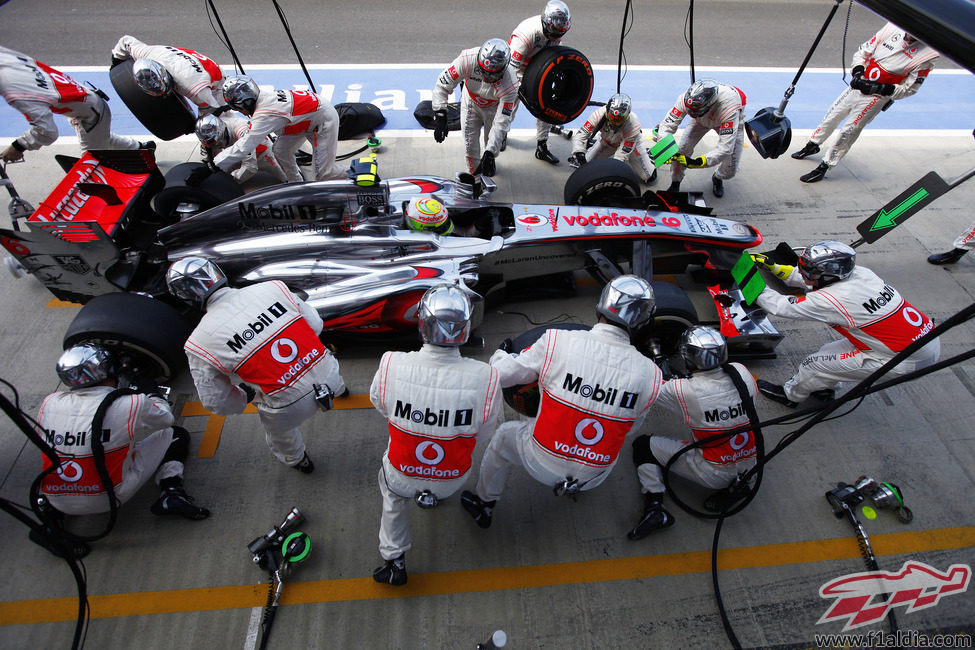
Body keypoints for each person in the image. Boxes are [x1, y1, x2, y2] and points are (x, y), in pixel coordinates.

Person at [461, 275, 663, 529]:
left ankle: (484, 503)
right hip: (596, 475)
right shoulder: (653, 376)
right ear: (644, 321)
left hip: (542, 463)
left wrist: (501, 353)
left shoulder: (558, 341)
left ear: (601, 304)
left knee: (504, 436)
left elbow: (499, 376)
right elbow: (630, 428)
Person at [370, 284, 502, 586]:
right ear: (466, 328)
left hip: (403, 475)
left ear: (422, 324)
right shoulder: (487, 376)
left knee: (391, 490)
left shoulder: (391, 362)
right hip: (452, 480)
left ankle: (394, 559)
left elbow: (381, 405)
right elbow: (484, 433)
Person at [168, 257, 346, 472]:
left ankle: (299, 460)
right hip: (329, 371)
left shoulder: (198, 343)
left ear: (185, 298)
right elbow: (315, 325)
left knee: (280, 434)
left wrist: (244, 396)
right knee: (327, 368)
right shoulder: (272, 288)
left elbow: (218, 402)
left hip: (288, 407)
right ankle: (341, 390)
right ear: (217, 273)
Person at [751, 241, 940, 408]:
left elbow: (780, 306)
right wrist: (775, 268)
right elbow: (818, 280)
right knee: (827, 352)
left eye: (805, 268)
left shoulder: (832, 300)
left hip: (903, 359)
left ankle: (790, 396)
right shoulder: (861, 274)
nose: (801, 270)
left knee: (813, 365)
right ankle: (822, 387)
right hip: (922, 339)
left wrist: (750, 282)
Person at [37, 343, 209, 521]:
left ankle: (52, 512)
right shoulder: (130, 404)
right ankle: (171, 491)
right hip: (108, 498)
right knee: (173, 434)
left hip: (56, 498)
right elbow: (165, 419)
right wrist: (150, 393)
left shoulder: (49, 403)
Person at [627, 326, 757, 539]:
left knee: (643, 445)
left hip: (713, 472)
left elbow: (652, 387)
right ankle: (739, 486)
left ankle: (655, 506)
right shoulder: (741, 372)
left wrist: (658, 363)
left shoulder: (684, 391)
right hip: (749, 464)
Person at [792, 23, 940, 183]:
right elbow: (863, 51)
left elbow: (909, 89)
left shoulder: (927, 55)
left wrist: (882, 88)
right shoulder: (892, 28)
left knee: (848, 131)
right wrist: (857, 72)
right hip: (859, 83)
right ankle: (813, 144)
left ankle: (825, 165)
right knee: (832, 115)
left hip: (876, 97)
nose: (910, 36)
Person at [0, 45, 150, 163]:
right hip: (82, 103)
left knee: (90, 168)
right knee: (98, 137)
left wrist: (18, 146)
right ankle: (142, 149)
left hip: (90, 113)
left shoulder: (16, 93)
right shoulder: (6, 58)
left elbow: (47, 132)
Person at [214, 76, 345, 183]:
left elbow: (244, 146)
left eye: (237, 108)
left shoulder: (264, 114)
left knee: (324, 175)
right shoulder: (262, 97)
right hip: (306, 118)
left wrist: (214, 165)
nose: (240, 112)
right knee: (280, 150)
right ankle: (296, 184)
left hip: (322, 121)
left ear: (244, 103)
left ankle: (363, 171)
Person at [431, 39, 518, 178]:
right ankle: (476, 178)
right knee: (470, 147)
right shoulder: (466, 59)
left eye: (493, 75)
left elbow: (502, 121)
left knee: (490, 142)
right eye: (484, 72)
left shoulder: (511, 84)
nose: (487, 77)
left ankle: (489, 159)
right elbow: (443, 83)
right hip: (470, 102)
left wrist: (491, 152)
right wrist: (440, 115)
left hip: (494, 109)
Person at [656, 77, 746, 198]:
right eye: (689, 111)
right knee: (682, 150)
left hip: (726, 120)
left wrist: (699, 162)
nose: (691, 113)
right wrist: (665, 149)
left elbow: (725, 147)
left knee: (731, 169)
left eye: (694, 111)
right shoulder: (684, 100)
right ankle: (675, 182)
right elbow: (666, 126)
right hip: (700, 121)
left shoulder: (729, 109)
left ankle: (718, 176)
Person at [508, 0, 572, 165]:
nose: (556, 37)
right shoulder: (527, 34)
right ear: (545, 23)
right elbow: (511, 67)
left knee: (547, 105)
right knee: (509, 103)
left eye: (560, 34)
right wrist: (517, 88)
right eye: (554, 33)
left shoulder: (556, 34)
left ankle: (542, 146)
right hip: (517, 67)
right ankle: (501, 135)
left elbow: (555, 56)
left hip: (538, 70)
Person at [110, 35, 224, 114]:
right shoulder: (144, 53)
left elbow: (213, 107)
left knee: (220, 122)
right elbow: (125, 41)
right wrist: (116, 60)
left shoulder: (196, 90)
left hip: (215, 80)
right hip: (179, 62)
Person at [569, 92, 657, 184]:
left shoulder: (633, 124)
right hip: (606, 142)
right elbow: (581, 134)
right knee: (586, 169)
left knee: (649, 177)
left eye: (618, 120)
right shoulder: (598, 115)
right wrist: (579, 153)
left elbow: (621, 156)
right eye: (612, 119)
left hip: (630, 145)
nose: (614, 123)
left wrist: (613, 173)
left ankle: (647, 155)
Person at [192, 113, 287, 184]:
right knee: (218, 173)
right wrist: (206, 167)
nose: (217, 146)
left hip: (262, 153)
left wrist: (232, 182)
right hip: (237, 151)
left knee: (289, 179)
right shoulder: (209, 132)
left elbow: (251, 167)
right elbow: (206, 157)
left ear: (223, 131)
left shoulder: (243, 131)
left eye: (218, 143)